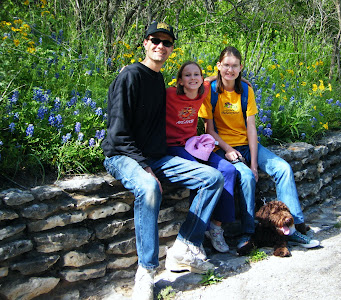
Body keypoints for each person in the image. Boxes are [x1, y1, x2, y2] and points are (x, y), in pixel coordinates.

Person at [101, 21, 224, 300]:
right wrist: (144, 166)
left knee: (213, 178)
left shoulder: (159, 80)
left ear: (171, 49)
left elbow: (197, 88)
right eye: (155, 40)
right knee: (149, 188)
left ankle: (183, 247)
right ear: (145, 43)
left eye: (167, 42)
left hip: (156, 156)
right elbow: (118, 131)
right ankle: (146, 272)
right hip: (122, 155)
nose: (161, 46)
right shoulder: (131, 75)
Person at [198, 46, 320, 253]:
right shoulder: (209, 90)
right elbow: (209, 130)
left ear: (240, 67)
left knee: (283, 168)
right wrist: (227, 149)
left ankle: (293, 227)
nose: (230, 70)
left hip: (247, 145)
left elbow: (251, 127)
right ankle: (248, 232)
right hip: (221, 147)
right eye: (226, 65)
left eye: (234, 66)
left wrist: (254, 163)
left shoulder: (246, 90)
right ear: (219, 66)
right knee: (245, 176)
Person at [166, 61, 237, 253]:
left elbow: (213, 77)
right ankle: (196, 235)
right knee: (201, 177)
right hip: (173, 146)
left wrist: (243, 80)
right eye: (187, 75)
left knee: (229, 170)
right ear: (180, 81)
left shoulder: (203, 90)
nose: (192, 78)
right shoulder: (170, 94)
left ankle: (216, 227)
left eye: (196, 74)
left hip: (193, 144)